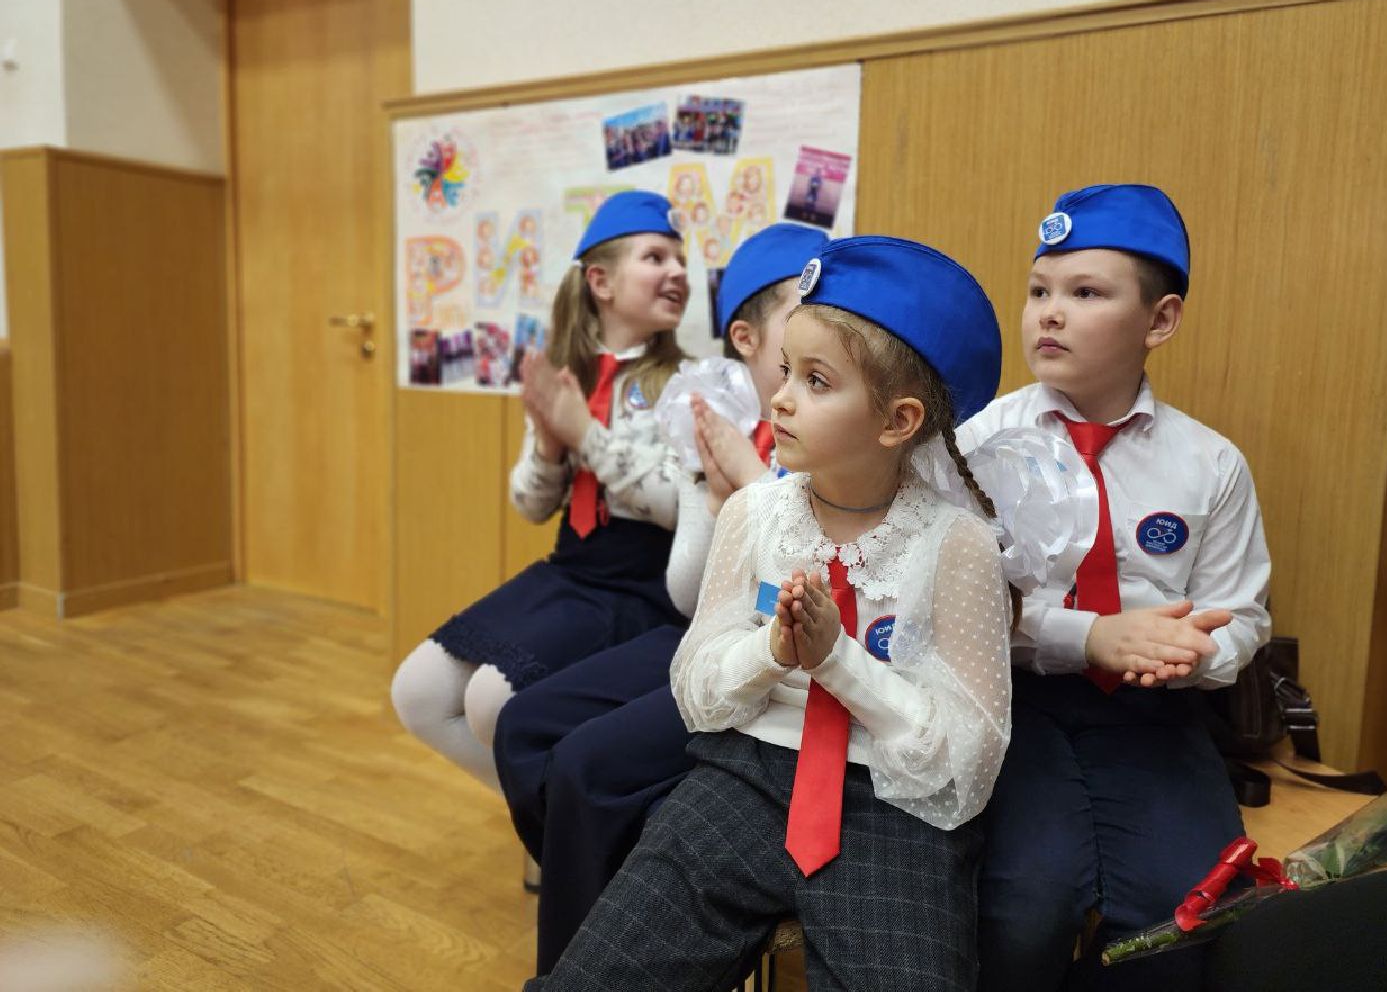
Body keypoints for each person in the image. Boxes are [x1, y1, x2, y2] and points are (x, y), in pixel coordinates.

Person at [529, 234, 1013, 991]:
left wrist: (838, 661)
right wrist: (774, 654)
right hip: (743, 778)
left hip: (895, 804)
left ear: (898, 421)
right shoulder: (755, 513)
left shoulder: (959, 547)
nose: (780, 396)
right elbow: (696, 682)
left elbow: (968, 758)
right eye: (785, 370)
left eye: (816, 381)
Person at [493, 223, 828, 976]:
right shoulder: (710, 412)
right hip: (702, 625)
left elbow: (833, 581)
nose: (824, 332)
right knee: (520, 724)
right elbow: (691, 589)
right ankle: (603, 899)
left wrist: (750, 488)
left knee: (584, 769)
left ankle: (585, 952)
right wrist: (715, 497)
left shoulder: (834, 423)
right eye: (802, 316)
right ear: (745, 339)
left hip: (778, 655)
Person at [960, 184, 1272, 992]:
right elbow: (950, 606)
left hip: (1153, 713)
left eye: (1085, 293)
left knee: (1188, 911)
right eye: (1039, 291)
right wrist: (1086, 637)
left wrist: (1191, 651)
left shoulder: (1209, 463)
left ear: (1159, 321)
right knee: (1026, 903)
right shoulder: (978, 444)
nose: (1048, 314)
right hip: (1014, 704)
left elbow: (1242, 616)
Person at [390, 191, 689, 790]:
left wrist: (588, 436)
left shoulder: (687, 383)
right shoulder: (564, 376)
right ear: (601, 282)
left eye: (680, 260)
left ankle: (575, 837)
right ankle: (553, 826)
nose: (678, 272)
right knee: (416, 693)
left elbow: (680, 509)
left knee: (490, 703)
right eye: (656, 258)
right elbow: (530, 505)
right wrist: (552, 448)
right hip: (572, 569)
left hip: (643, 585)